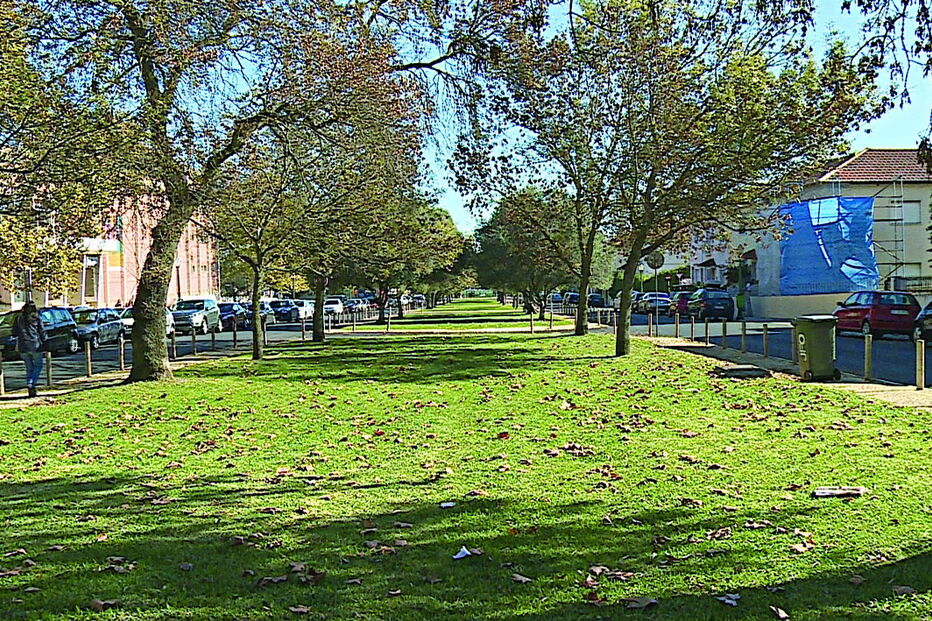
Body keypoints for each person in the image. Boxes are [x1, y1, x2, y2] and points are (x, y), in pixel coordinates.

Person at [14, 301, 46, 398]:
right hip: (35, 344)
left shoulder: (19, 319)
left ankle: (30, 384)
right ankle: (31, 383)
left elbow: (14, 332)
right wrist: (45, 342)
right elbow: (42, 331)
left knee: (29, 367)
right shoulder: (36, 318)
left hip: (22, 345)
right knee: (38, 366)